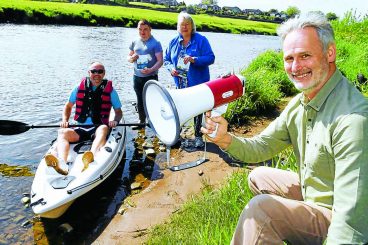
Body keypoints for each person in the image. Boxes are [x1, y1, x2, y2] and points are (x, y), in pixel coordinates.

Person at [202, 12, 368, 244]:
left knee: (262, 211)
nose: (296, 67)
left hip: (339, 214)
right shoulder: (301, 103)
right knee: (259, 177)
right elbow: (261, 147)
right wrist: (225, 139)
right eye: (289, 58)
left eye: (305, 56)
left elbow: (352, 222)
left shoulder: (353, 120)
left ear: (330, 53)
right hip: (315, 194)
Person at [45, 61, 123, 175]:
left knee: (103, 129)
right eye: (94, 71)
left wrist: (115, 121)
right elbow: (68, 106)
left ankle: (91, 156)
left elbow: (118, 112)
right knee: (62, 132)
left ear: (104, 73)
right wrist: (65, 121)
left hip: (97, 127)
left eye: (100, 71)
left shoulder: (110, 90)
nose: (97, 74)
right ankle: (62, 162)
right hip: (80, 128)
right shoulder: (78, 88)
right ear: (89, 73)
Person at [164, 11, 215, 148]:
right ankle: (176, 135)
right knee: (178, 109)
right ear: (178, 26)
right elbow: (166, 60)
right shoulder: (173, 42)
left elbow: (211, 58)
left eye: (187, 24)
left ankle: (198, 136)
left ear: (192, 26)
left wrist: (194, 60)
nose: (184, 27)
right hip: (180, 83)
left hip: (198, 83)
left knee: (198, 110)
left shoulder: (201, 40)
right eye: (182, 24)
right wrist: (171, 69)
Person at [128, 19, 163, 129]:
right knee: (139, 99)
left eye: (145, 29)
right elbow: (128, 57)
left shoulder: (156, 43)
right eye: (140, 29)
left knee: (152, 100)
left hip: (151, 76)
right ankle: (141, 122)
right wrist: (131, 58)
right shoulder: (134, 41)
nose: (142, 32)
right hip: (137, 76)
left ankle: (154, 122)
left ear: (150, 29)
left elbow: (160, 61)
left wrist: (151, 69)